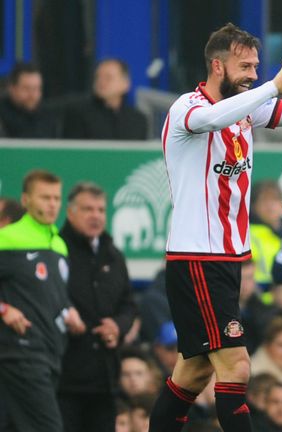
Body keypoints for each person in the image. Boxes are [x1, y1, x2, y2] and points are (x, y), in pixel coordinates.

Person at [146, 21, 282, 432]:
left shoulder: (247, 108)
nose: (253, 74)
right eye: (245, 66)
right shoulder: (188, 108)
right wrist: (272, 86)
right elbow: (214, 118)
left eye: (257, 66)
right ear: (217, 66)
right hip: (197, 257)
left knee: (193, 373)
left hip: (229, 259)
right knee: (236, 366)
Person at [0, 170, 87, 432]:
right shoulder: (7, 238)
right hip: (21, 352)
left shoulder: (59, 244)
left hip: (51, 354)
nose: (52, 204)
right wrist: (3, 309)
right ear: (26, 201)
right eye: (44, 197)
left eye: (56, 198)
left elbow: (50, 294)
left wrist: (69, 311)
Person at [56, 182, 138, 432]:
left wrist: (118, 326)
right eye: (88, 209)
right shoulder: (56, 251)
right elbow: (49, 300)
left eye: (101, 210)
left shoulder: (113, 255)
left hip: (105, 379)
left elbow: (129, 303)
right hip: (64, 378)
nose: (96, 216)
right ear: (70, 213)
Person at [62, 58, 149, 140]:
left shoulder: (138, 120)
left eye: (108, 77)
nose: (101, 81)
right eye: (98, 77)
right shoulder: (78, 114)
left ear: (125, 83)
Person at [0, 63, 58, 138]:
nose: (32, 95)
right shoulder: (2, 114)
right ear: (12, 88)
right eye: (26, 88)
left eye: (36, 89)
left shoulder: (48, 116)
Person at [249, 181, 282, 287]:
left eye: (274, 199)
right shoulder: (249, 235)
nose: (270, 206)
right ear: (254, 206)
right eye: (263, 200)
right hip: (261, 301)